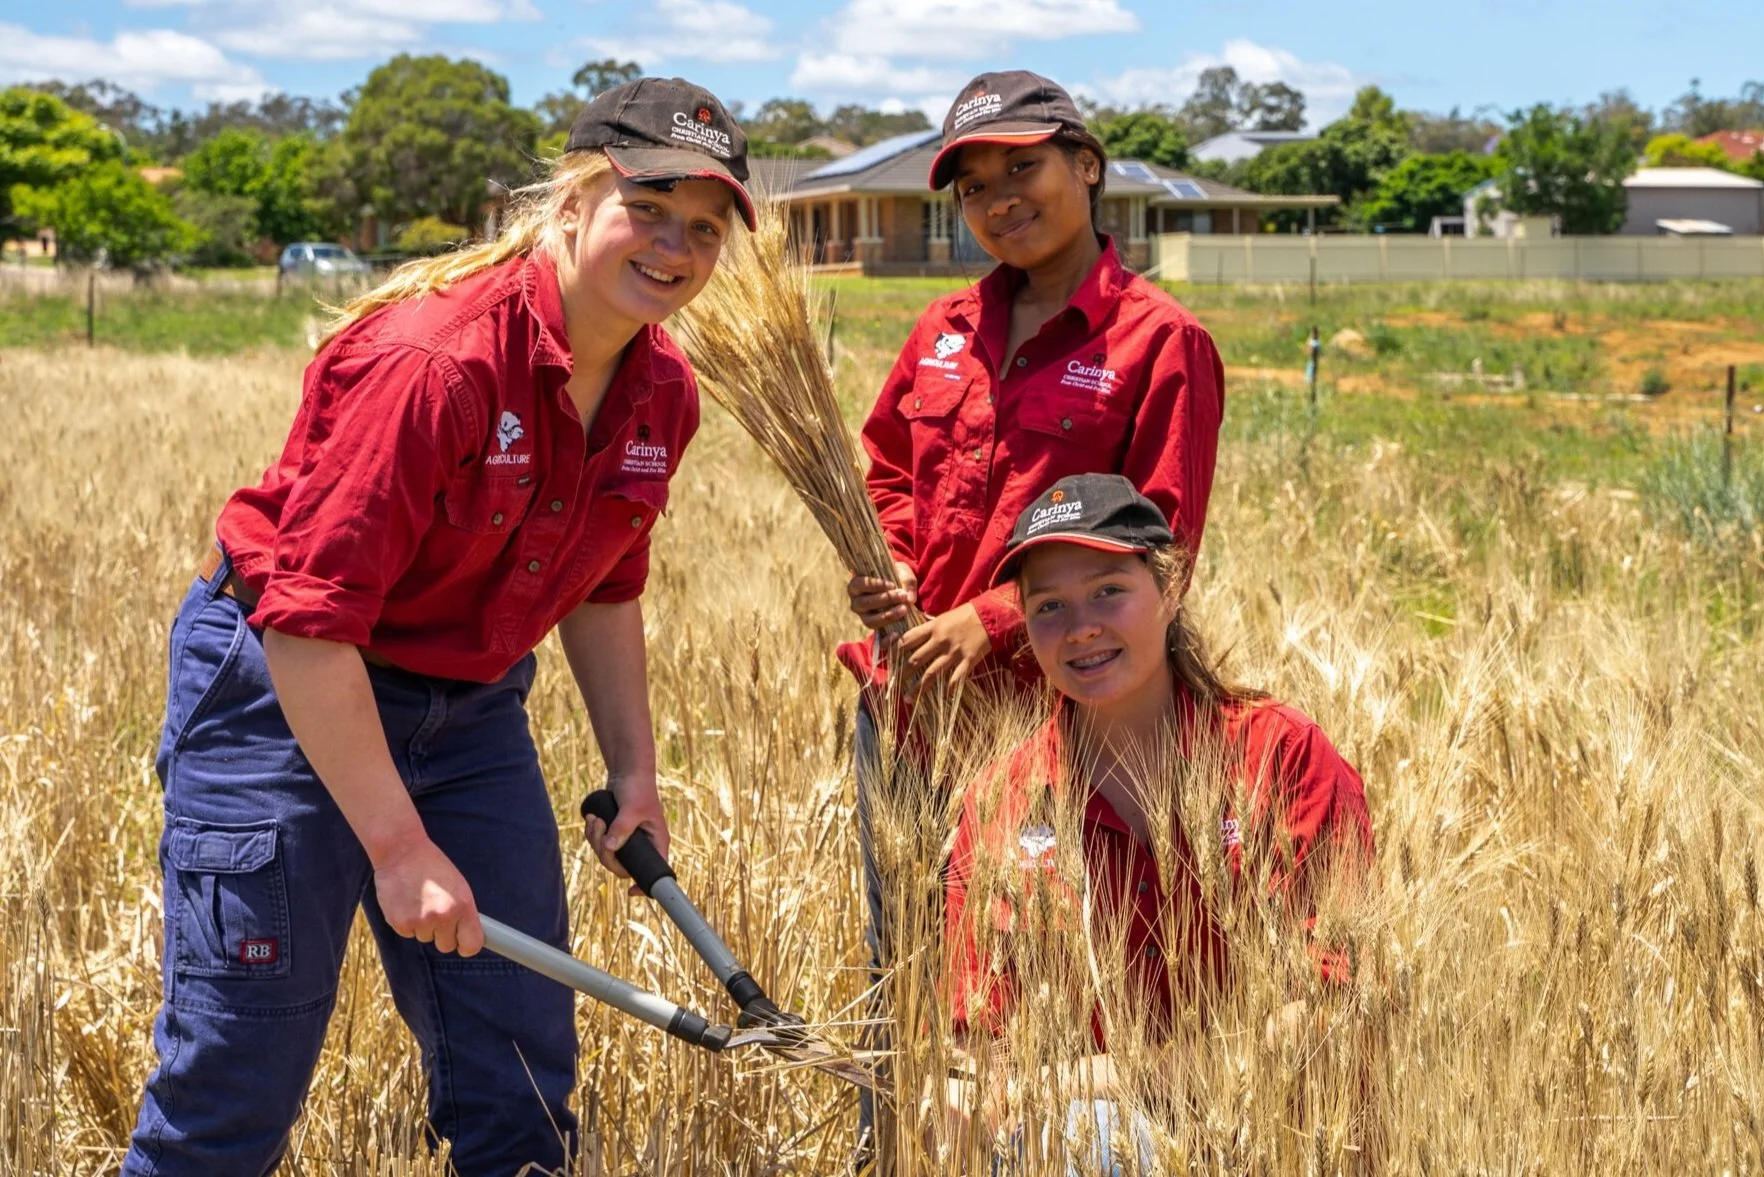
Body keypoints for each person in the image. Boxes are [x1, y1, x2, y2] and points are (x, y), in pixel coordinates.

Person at [121, 77, 756, 1176]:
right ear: (569, 205)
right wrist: (397, 844)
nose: (673, 245)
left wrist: (633, 769)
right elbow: (309, 622)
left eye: (702, 228)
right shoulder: (435, 360)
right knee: (236, 1083)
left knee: (519, 1081)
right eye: (645, 207)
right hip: (285, 693)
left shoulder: (662, 391)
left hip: (467, 712)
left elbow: (605, 583)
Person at [837, 69, 1227, 1151]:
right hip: (909, 708)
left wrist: (994, 620)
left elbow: (1162, 539)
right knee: (903, 976)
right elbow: (882, 467)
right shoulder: (942, 329)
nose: (999, 198)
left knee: (1040, 984)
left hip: (1055, 725)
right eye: (971, 185)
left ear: (1085, 166)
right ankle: (902, 1156)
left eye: (1023, 167)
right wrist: (894, 574)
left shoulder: (1158, 343)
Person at [942, 474, 1375, 1172]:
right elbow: (979, 1039)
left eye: (1109, 589)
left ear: (1171, 590)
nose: (1081, 625)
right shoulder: (1002, 799)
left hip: (1281, 1145)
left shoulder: (1280, 756)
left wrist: (1090, 1079)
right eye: (1048, 604)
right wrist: (963, 1100)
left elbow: (1331, 1009)